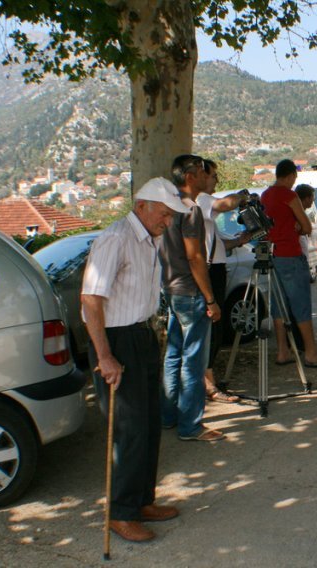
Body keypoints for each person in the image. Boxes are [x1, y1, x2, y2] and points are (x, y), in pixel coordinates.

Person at [81, 177, 189, 542]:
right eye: (164, 214)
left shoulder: (149, 240)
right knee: (127, 430)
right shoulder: (115, 239)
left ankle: (142, 501)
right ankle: (120, 513)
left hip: (141, 334)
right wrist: (105, 354)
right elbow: (91, 299)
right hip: (116, 340)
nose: (168, 222)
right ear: (141, 206)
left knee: (149, 424)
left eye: (171, 216)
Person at [159, 154, 225, 442]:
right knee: (194, 360)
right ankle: (191, 425)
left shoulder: (166, 207)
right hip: (191, 292)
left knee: (173, 355)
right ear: (189, 176)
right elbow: (195, 257)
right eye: (201, 171)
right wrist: (210, 298)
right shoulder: (190, 209)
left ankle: (168, 415)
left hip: (171, 290)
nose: (205, 175)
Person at [261, 159, 317, 368]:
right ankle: (311, 352)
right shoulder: (289, 195)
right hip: (291, 255)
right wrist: (296, 227)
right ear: (289, 176)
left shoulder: (265, 195)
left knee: (278, 305)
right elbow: (306, 227)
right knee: (301, 305)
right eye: (294, 177)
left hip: (273, 255)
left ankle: (282, 351)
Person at [196, 159, 251, 404]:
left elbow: (217, 245)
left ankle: (209, 380)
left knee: (215, 329)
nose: (216, 180)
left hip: (216, 267)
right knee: (211, 326)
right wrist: (242, 196)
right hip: (209, 271)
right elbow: (225, 203)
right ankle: (208, 384)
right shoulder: (203, 200)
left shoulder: (206, 210)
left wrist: (241, 240)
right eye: (214, 176)